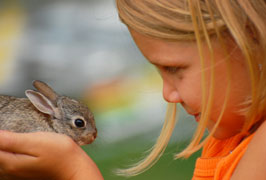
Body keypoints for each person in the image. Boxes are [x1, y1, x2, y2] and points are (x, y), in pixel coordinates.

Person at [0, 0, 265, 179]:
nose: (167, 94)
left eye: (174, 69)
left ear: (248, 40)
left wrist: (74, 172)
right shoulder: (229, 140)